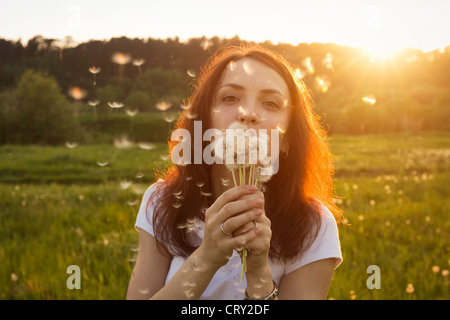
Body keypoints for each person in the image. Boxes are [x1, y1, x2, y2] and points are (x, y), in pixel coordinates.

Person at [126, 44, 343, 300]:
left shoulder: (315, 225)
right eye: (230, 98)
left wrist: (259, 275)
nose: (248, 113)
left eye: (271, 103)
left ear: (287, 140)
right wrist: (207, 257)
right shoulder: (161, 202)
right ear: (204, 120)